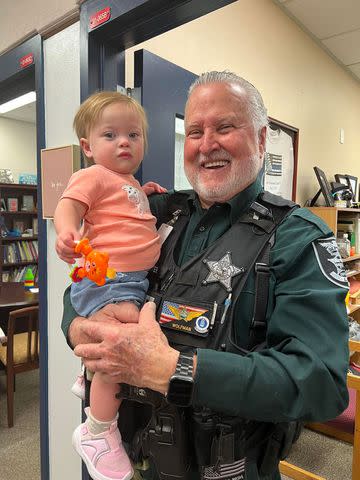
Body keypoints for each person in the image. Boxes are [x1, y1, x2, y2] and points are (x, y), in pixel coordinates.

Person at [61, 71, 349, 480]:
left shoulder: (298, 238)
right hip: (136, 460)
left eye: (225, 127)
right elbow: (85, 282)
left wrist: (175, 368)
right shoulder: (155, 211)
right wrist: (81, 328)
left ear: (262, 139)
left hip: (230, 466)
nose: (207, 144)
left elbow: (321, 381)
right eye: (194, 131)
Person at [54, 91, 165, 480]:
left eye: (133, 135)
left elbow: (123, 212)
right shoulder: (92, 175)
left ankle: (89, 376)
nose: (124, 142)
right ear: (87, 146)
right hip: (108, 280)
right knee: (125, 343)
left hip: (129, 281)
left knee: (125, 341)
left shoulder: (128, 183)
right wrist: (66, 232)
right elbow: (68, 206)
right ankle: (98, 432)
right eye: (111, 135)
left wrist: (143, 195)